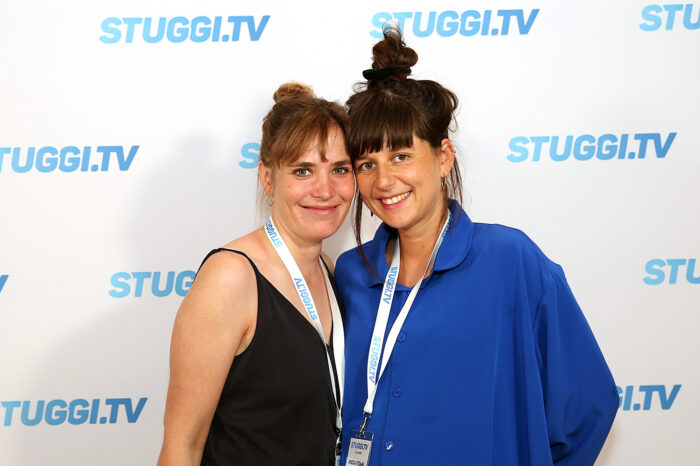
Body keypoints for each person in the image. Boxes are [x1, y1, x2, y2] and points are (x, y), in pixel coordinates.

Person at [336, 27, 618, 466]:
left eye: (401, 156)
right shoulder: (350, 273)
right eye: (366, 164)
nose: (384, 181)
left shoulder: (510, 261)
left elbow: (588, 405)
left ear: (443, 157)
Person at [157, 83, 354, 466]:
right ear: (267, 178)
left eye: (340, 169)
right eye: (303, 170)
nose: (325, 189)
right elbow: (183, 446)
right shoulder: (231, 277)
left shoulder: (329, 270)